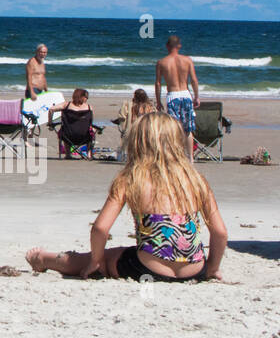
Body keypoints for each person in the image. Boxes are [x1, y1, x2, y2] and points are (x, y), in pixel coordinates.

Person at [25, 111, 227, 282]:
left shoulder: (131, 178)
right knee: (126, 251)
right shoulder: (196, 180)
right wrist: (212, 267)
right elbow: (220, 232)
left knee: (98, 257)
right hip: (194, 269)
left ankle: (46, 259)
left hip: (148, 269)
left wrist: (96, 261)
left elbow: (100, 229)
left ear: (137, 142)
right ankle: (52, 258)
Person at [155, 35, 200, 161]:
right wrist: (196, 97)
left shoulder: (162, 62)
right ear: (179, 46)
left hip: (173, 96)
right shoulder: (187, 60)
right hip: (186, 95)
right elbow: (194, 80)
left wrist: (158, 101)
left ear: (167, 46)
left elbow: (158, 83)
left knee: (175, 128)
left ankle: (177, 156)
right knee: (188, 129)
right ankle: (190, 158)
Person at [47, 87, 96, 158]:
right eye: (86, 97)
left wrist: (50, 123)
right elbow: (90, 122)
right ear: (81, 97)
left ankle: (68, 154)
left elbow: (51, 109)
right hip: (85, 136)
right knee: (92, 130)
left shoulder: (66, 105)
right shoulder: (89, 107)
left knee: (65, 130)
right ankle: (89, 154)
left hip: (68, 136)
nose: (87, 99)